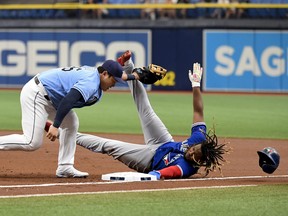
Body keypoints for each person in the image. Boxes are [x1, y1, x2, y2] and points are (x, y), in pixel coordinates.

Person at [46, 52, 230, 179]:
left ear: (201, 161)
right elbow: (198, 111)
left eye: (194, 155)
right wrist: (196, 85)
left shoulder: (187, 167)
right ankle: (128, 67)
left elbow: (171, 172)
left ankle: (60, 131)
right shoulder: (198, 139)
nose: (190, 152)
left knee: (108, 145)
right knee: (146, 109)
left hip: (149, 159)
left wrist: (157, 174)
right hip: (164, 142)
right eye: (193, 149)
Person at [0, 59, 127, 178]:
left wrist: (135, 76)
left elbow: (115, 73)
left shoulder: (95, 72)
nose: (114, 84)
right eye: (114, 80)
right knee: (31, 142)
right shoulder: (90, 82)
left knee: (71, 123)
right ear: (104, 74)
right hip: (37, 94)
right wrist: (55, 126)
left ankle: (65, 167)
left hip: (50, 97)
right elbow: (68, 101)